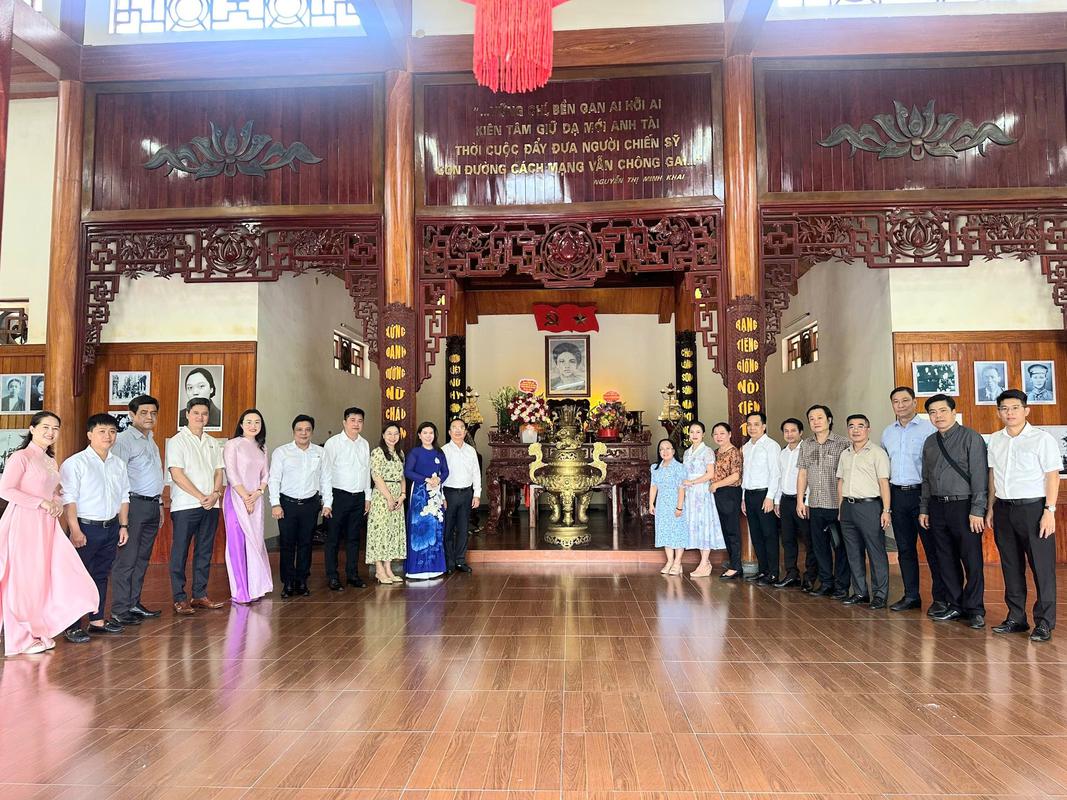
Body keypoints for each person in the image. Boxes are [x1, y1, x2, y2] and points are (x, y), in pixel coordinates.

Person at [0, 412, 98, 654]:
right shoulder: (21, 457)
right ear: (32, 429)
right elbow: (6, 490)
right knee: (23, 580)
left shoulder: (49, 460)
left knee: (43, 578)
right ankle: (19, 639)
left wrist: (55, 500)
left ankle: (37, 631)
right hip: (24, 522)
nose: (51, 432)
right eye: (45, 427)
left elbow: (51, 491)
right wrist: (42, 502)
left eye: (55, 428)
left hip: (45, 524)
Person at [986, 389, 1060, 642]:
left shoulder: (1042, 439)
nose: (1009, 413)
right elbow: (993, 475)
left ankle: (1045, 622)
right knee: (1011, 565)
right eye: (1004, 408)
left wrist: (1049, 511)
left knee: (1042, 567)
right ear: (998, 412)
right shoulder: (995, 440)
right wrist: (991, 507)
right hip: (1003, 509)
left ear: (1026, 410)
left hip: (1034, 509)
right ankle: (1016, 617)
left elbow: (1052, 476)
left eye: (1015, 408)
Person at [919, 393, 988, 628]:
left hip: (964, 506)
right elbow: (926, 478)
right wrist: (924, 508)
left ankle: (975, 609)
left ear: (953, 412)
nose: (938, 416)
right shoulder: (930, 442)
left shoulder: (971, 437)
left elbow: (979, 476)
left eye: (942, 411)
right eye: (932, 412)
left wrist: (977, 509)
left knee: (971, 559)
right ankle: (955, 605)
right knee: (945, 558)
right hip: (937, 506)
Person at [60, 413, 131, 638]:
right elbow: (69, 499)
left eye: (112, 431)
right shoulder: (75, 463)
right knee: (77, 575)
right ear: (90, 434)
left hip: (111, 527)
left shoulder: (118, 463)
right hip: (85, 527)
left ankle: (97, 620)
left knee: (100, 574)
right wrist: (75, 529)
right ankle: (72, 625)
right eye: (102, 431)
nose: (108, 436)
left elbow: (124, 496)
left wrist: (123, 526)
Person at [881, 386, 944, 614]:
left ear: (914, 402)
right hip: (898, 495)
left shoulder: (929, 429)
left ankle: (940, 599)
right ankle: (911, 596)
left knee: (932, 549)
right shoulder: (888, 433)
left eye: (905, 400)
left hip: (923, 495)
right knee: (905, 548)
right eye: (896, 401)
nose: (900, 405)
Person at [167, 396, 226, 615]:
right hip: (185, 506)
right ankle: (179, 598)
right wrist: (201, 496)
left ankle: (199, 595)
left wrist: (215, 494)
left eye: (204, 414)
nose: (200, 417)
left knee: (204, 551)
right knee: (180, 551)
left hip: (211, 505)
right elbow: (177, 474)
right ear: (187, 415)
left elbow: (219, 471)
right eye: (196, 413)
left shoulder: (213, 442)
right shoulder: (177, 441)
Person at [109, 394, 165, 626]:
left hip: (152, 505)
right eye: (143, 412)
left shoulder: (151, 440)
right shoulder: (124, 440)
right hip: (133, 506)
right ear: (132, 415)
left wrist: (159, 505)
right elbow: (118, 477)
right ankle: (120, 609)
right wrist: (122, 516)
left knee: (142, 559)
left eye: (153, 413)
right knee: (127, 559)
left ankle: (133, 603)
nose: (149, 416)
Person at [836, 414, 892, 609]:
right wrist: (841, 508)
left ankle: (880, 595)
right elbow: (841, 482)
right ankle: (860, 592)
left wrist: (886, 510)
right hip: (848, 507)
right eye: (851, 426)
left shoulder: (877, 453)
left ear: (868, 429)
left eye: (860, 426)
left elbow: (883, 483)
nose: (856, 430)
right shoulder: (845, 454)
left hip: (870, 507)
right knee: (853, 552)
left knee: (876, 552)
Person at [268, 414, 328, 598]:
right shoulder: (281, 452)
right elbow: (274, 479)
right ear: (293, 432)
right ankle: (287, 582)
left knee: (306, 543)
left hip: (310, 504)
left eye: (307, 430)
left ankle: (302, 581)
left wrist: (327, 503)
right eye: (299, 430)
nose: (304, 433)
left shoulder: (320, 452)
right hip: (287, 504)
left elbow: (325, 479)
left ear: (312, 432)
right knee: (287, 544)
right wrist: (275, 504)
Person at [796, 404, 850, 598]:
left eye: (819, 417)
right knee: (819, 546)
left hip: (837, 504)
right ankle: (826, 583)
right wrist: (800, 500)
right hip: (815, 503)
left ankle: (842, 586)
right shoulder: (806, 444)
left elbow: (847, 475)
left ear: (829, 420)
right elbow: (802, 473)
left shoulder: (843, 443)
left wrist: (843, 505)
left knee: (841, 547)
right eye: (811, 419)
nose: (815, 422)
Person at [223, 409, 272, 604]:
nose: (253, 425)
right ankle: (241, 591)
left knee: (255, 542)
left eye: (257, 422)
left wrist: (257, 494)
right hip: (236, 498)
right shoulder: (232, 444)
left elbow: (265, 474)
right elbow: (231, 473)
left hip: (256, 500)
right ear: (241, 424)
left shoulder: (262, 447)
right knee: (238, 543)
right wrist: (245, 497)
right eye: (249, 421)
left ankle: (255, 587)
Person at [322, 406, 373, 590]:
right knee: (333, 538)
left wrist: (368, 497)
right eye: (352, 420)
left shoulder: (364, 444)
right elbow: (325, 473)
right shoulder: (333, 443)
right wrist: (327, 502)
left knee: (354, 538)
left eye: (360, 421)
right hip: (338, 497)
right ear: (344, 422)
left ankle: (352, 574)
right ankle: (333, 576)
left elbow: (366, 471)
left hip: (358, 498)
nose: (356, 424)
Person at [774, 417, 815, 590]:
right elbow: (779, 477)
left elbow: (811, 478)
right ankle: (792, 574)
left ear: (801, 432)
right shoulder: (783, 453)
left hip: (802, 500)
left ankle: (810, 576)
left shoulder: (807, 450)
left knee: (808, 539)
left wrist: (807, 501)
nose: (789, 434)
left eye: (793, 431)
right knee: (788, 539)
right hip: (786, 500)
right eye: (786, 431)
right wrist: (777, 501)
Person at [741, 411, 782, 585]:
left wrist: (770, 497)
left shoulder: (771, 446)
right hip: (750, 495)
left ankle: (773, 573)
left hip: (764, 495)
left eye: (756, 424)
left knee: (769, 535)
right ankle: (763, 570)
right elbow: (746, 475)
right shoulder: (746, 447)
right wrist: (744, 497)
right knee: (756, 535)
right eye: (749, 424)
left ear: (764, 426)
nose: (752, 428)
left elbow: (775, 473)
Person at [405, 421, 449, 580]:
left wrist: (439, 480)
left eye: (431, 433)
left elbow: (446, 471)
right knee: (419, 528)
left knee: (436, 529)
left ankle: (435, 567)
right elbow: (408, 471)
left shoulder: (439, 453)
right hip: (420, 494)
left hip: (436, 494)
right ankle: (416, 569)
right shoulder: (415, 452)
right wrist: (426, 479)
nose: (428, 436)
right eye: (425, 433)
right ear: (419, 435)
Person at [681, 421, 724, 578]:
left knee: (704, 524)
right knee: (695, 525)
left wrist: (693, 482)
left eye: (698, 432)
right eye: (692, 432)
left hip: (701, 491)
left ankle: (704, 563)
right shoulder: (687, 452)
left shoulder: (707, 451)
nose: (694, 435)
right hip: (689, 493)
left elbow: (710, 474)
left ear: (703, 434)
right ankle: (704, 562)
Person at [367, 423, 407, 584]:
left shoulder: (400, 453)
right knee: (380, 531)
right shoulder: (377, 452)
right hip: (382, 496)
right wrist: (389, 498)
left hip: (397, 495)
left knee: (392, 531)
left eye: (396, 433)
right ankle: (379, 570)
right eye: (389, 433)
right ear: (383, 435)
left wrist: (402, 495)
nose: (392, 437)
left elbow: (402, 476)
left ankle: (388, 569)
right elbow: (376, 477)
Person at [441, 418, 480, 574]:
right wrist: (441, 496)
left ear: (465, 432)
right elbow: (439, 475)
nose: (458, 430)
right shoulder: (443, 451)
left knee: (463, 529)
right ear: (449, 432)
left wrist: (477, 494)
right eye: (454, 428)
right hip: (449, 494)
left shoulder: (471, 451)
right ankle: (449, 562)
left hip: (466, 494)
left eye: (461, 428)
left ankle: (460, 560)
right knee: (448, 529)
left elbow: (476, 473)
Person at [709, 422, 743, 580]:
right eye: (715, 434)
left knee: (732, 530)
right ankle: (733, 562)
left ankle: (736, 567)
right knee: (724, 529)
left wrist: (716, 485)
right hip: (718, 493)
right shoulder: (715, 452)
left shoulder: (734, 452)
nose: (719, 436)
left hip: (730, 492)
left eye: (722, 433)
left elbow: (736, 476)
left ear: (729, 434)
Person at [649, 438, 687, 575]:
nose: (664, 451)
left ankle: (678, 562)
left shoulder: (679, 467)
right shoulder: (655, 468)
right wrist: (651, 503)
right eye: (661, 449)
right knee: (665, 532)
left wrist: (679, 507)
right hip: (662, 505)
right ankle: (670, 561)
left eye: (667, 448)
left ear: (673, 451)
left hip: (676, 503)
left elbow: (681, 488)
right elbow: (653, 486)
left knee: (677, 532)